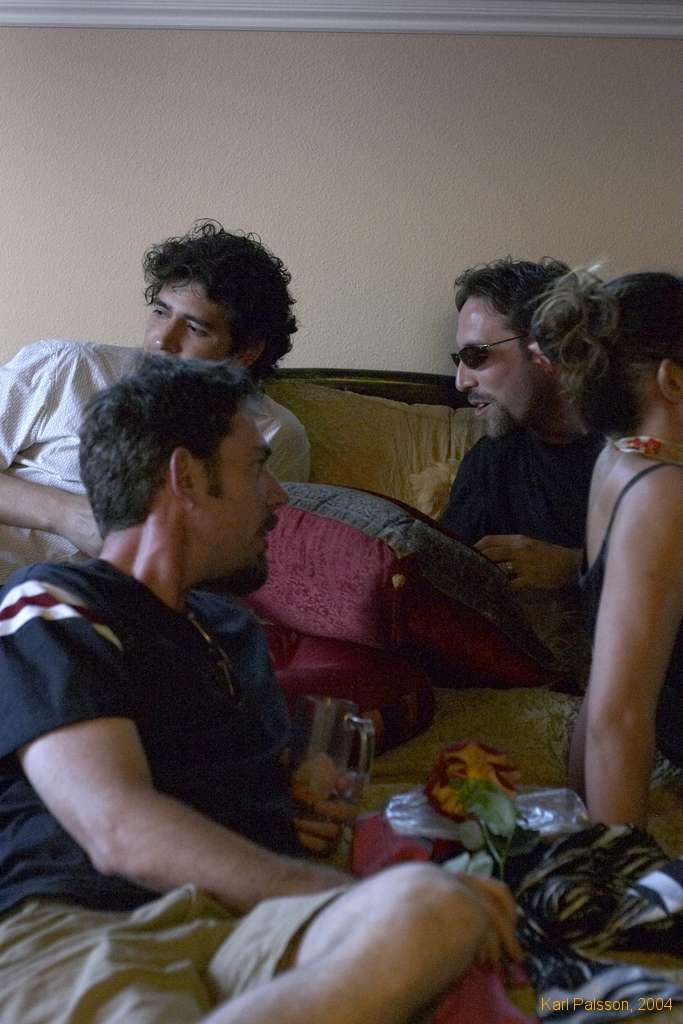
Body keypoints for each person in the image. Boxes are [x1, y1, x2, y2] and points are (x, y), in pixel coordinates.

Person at [0, 356, 520, 1023]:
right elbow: (116, 828)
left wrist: (289, 807)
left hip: (245, 929)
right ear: (186, 477)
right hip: (89, 923)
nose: (277, 496)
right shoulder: (56, 601)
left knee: (437, 907)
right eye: (255, 467)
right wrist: (334, 895)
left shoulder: (231, 632)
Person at [0, 220, 310, 584]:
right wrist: (66, 514)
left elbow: (248, 551)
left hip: (122, 604)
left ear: (246, 352)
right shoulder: (69, 367)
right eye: (161, 312)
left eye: (195, 328)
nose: (162, 338)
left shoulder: (272, 434)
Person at [531, 269, 683, 826]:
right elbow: (617, 716)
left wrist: (577, 807)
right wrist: (615, 858)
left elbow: (607, 672)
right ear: (672, 380)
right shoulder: (663, 492)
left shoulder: (617, 458)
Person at [440, 258, 604, 591]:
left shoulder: (643, 445)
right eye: (460, 359)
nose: (461, 382)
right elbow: (441, 583)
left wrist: (576, 568)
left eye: (476, 356)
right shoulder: (489, 463)